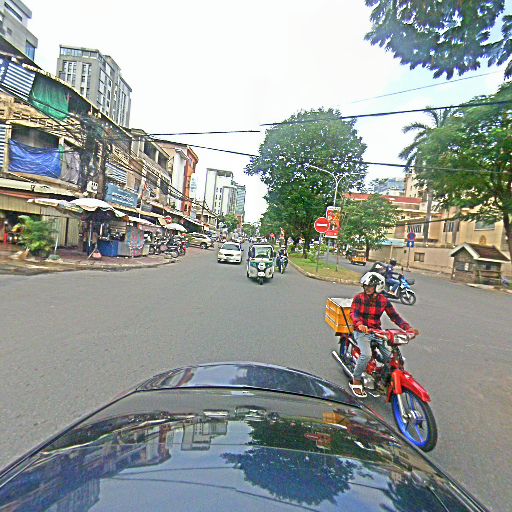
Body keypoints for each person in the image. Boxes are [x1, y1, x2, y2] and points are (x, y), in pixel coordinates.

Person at [349, 272, 418, 398]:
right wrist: (359, 324)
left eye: (370, 286)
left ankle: (382, 378)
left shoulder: (383, 301)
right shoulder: (359, 298)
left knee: (391, 357)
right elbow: (354, 313)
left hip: (377, 332)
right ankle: (356, 379)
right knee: (366, 355)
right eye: (365, 286)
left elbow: (395, 316)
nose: (367, 288)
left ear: (378, 287)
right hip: (362, 332)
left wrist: (408, 328)